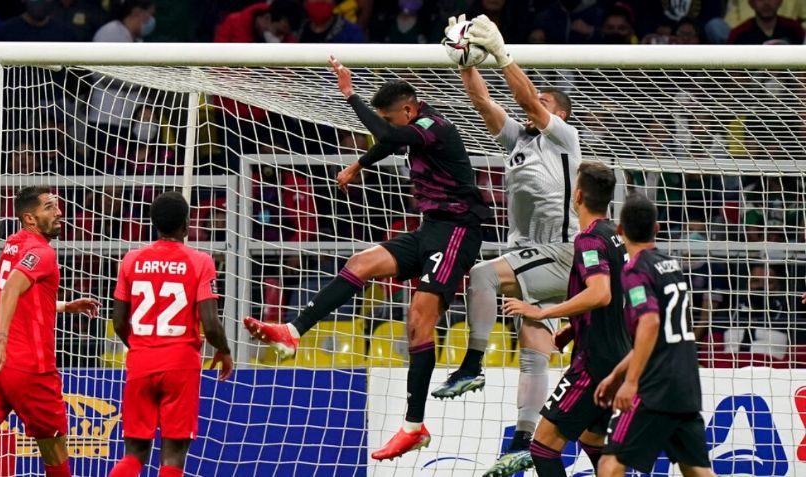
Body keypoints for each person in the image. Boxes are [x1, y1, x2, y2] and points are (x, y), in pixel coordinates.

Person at [244, 56, 492, 460]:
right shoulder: (414, 126)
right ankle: (293, 331)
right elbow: (388, 138)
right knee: (361, 262)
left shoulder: (434, 126)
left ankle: (413, 426)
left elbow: (384, 133)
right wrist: (360, 162)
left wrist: (349, 94)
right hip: (431, 227)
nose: (389, 124)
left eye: (392, 118)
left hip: (459, 230)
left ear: (409, 110)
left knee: (418, 319)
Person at [430, 13, 581, 477]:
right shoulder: (518, 139)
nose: (536, 105)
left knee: (480, 274)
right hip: (531, 258)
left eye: (545, 102)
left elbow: (526, 98)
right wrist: (465, 62)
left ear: (558, 114)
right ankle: (522, 442)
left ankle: (472, 362)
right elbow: (483, 101)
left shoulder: (563, 137)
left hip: (559, 252)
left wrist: (504, 56)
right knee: (534, 353)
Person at [0, 186, 99, 476]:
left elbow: (18, 295)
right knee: (56, 454)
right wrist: (2, 339)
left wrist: (61, 306)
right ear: (30, 218)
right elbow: (11, 289)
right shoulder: (41, 253)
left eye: (57, 205)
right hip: (28, 367)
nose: (59, 212)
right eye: (49, 207)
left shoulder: (13, 244)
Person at [503, 161, 629, 477]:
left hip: (594, 363)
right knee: (592, 440)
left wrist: (542, 311)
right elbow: (618, 299)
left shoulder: (588, 240)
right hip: (618, 357)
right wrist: (574, 327)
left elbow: (601, 293)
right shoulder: (615, 238)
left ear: (577, 196)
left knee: (542, 448)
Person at [109, 191, 233, 477]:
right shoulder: (200, 261)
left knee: (134, 455)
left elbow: (117, 322)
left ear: (154, 224)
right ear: (187, 224)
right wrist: (224, 351)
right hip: (180, 364)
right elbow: (211, 325)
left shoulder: (131, 260)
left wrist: (142, 347)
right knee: (173, 455)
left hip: (140, 363)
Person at [593, 194, 714, 477]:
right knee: (698, 471)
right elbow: (662, 334)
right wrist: (616, 375)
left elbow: (650, 323)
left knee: (609, 465)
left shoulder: (635, 270)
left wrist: (630, 381)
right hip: (685, 385)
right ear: (657, 228)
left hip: (654, 388)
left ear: (620, 230)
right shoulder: (671, 265)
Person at [727, 0, 805, 44]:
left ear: (780, 2)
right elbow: (732, 71)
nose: (766, 3)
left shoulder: (795, 29)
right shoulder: (739, 34)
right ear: (751, 3)